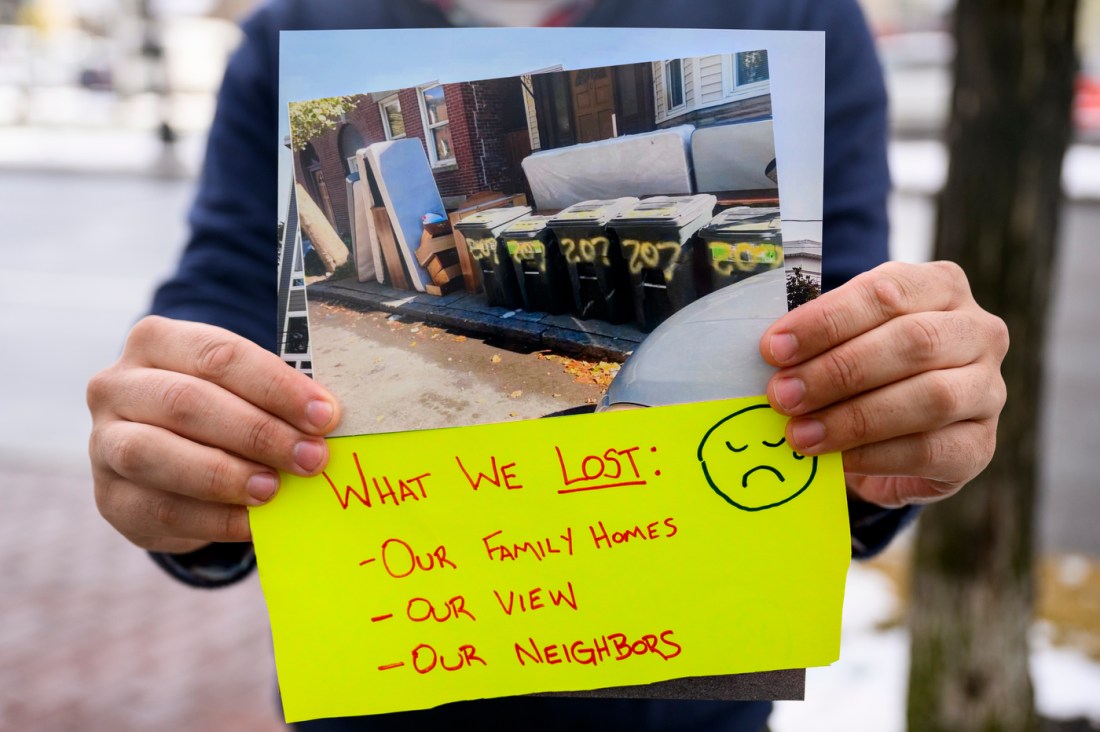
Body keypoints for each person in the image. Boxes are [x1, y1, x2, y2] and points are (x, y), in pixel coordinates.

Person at [85, 0, 1009, 729]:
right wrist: (178, 443)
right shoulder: (293, 32)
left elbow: (837, 333)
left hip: (692, 704)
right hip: (385, 691)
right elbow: (219, 308)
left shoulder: (798, 12)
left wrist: (899, 412)